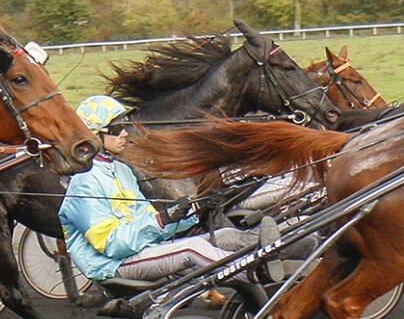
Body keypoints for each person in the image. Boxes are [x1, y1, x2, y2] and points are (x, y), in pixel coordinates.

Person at [59, 95, 266, 285]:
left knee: (225, 235)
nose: (124, 134)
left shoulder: (121, 169)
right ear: (95, 136)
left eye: (124, 126)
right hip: (112, 265)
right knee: (191, 249)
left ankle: (267, 248)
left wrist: (191, 211)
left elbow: (148, 223)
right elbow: (113, 244)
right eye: (115, 129)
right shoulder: (84, 181)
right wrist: (161, 220)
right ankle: (250, 274)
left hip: (141, 250)